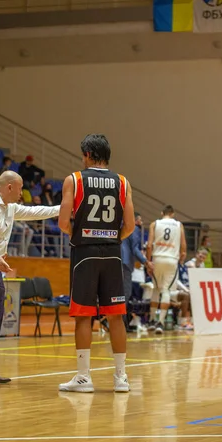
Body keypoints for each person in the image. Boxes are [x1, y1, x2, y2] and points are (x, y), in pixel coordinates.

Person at [0, 171, 60, 386]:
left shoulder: (10, 207)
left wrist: (63, 209)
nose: (23, 193)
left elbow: (36, 211)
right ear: (10, 187)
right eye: (20, 188)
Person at [58, 134, 135, 393]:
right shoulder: (123, 182)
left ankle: (83, 378)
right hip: (113, 253)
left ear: (88, 154)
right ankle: (121, 378)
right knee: (116, 317)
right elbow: (130, 226)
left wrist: (78, 235)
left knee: (83, 315)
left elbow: (62, 221)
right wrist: (112, 237)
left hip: (84, 254)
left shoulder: (75, 179)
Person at [146, 205, 187, 334]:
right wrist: (181, 259)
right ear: (173, 214)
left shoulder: (155, 224)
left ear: (162, 213)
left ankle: (152, 320)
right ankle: (161, 322)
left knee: (156, 289)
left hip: (157, 258)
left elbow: (148, 245)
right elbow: (184, 247)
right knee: (166, 291)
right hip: (171, 260)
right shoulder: (179, 225)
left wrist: (148, 262)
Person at [121, 212, 148, 331]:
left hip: (114, 262)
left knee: (115, 295)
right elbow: (135, 249)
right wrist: (146, 262)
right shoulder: (134, 228)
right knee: (125, 295)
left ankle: (113, 323)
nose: (141, 223)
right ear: (135, 221)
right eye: (140, 220)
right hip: (125, 264)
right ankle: (121, 325)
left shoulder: (120, 226)